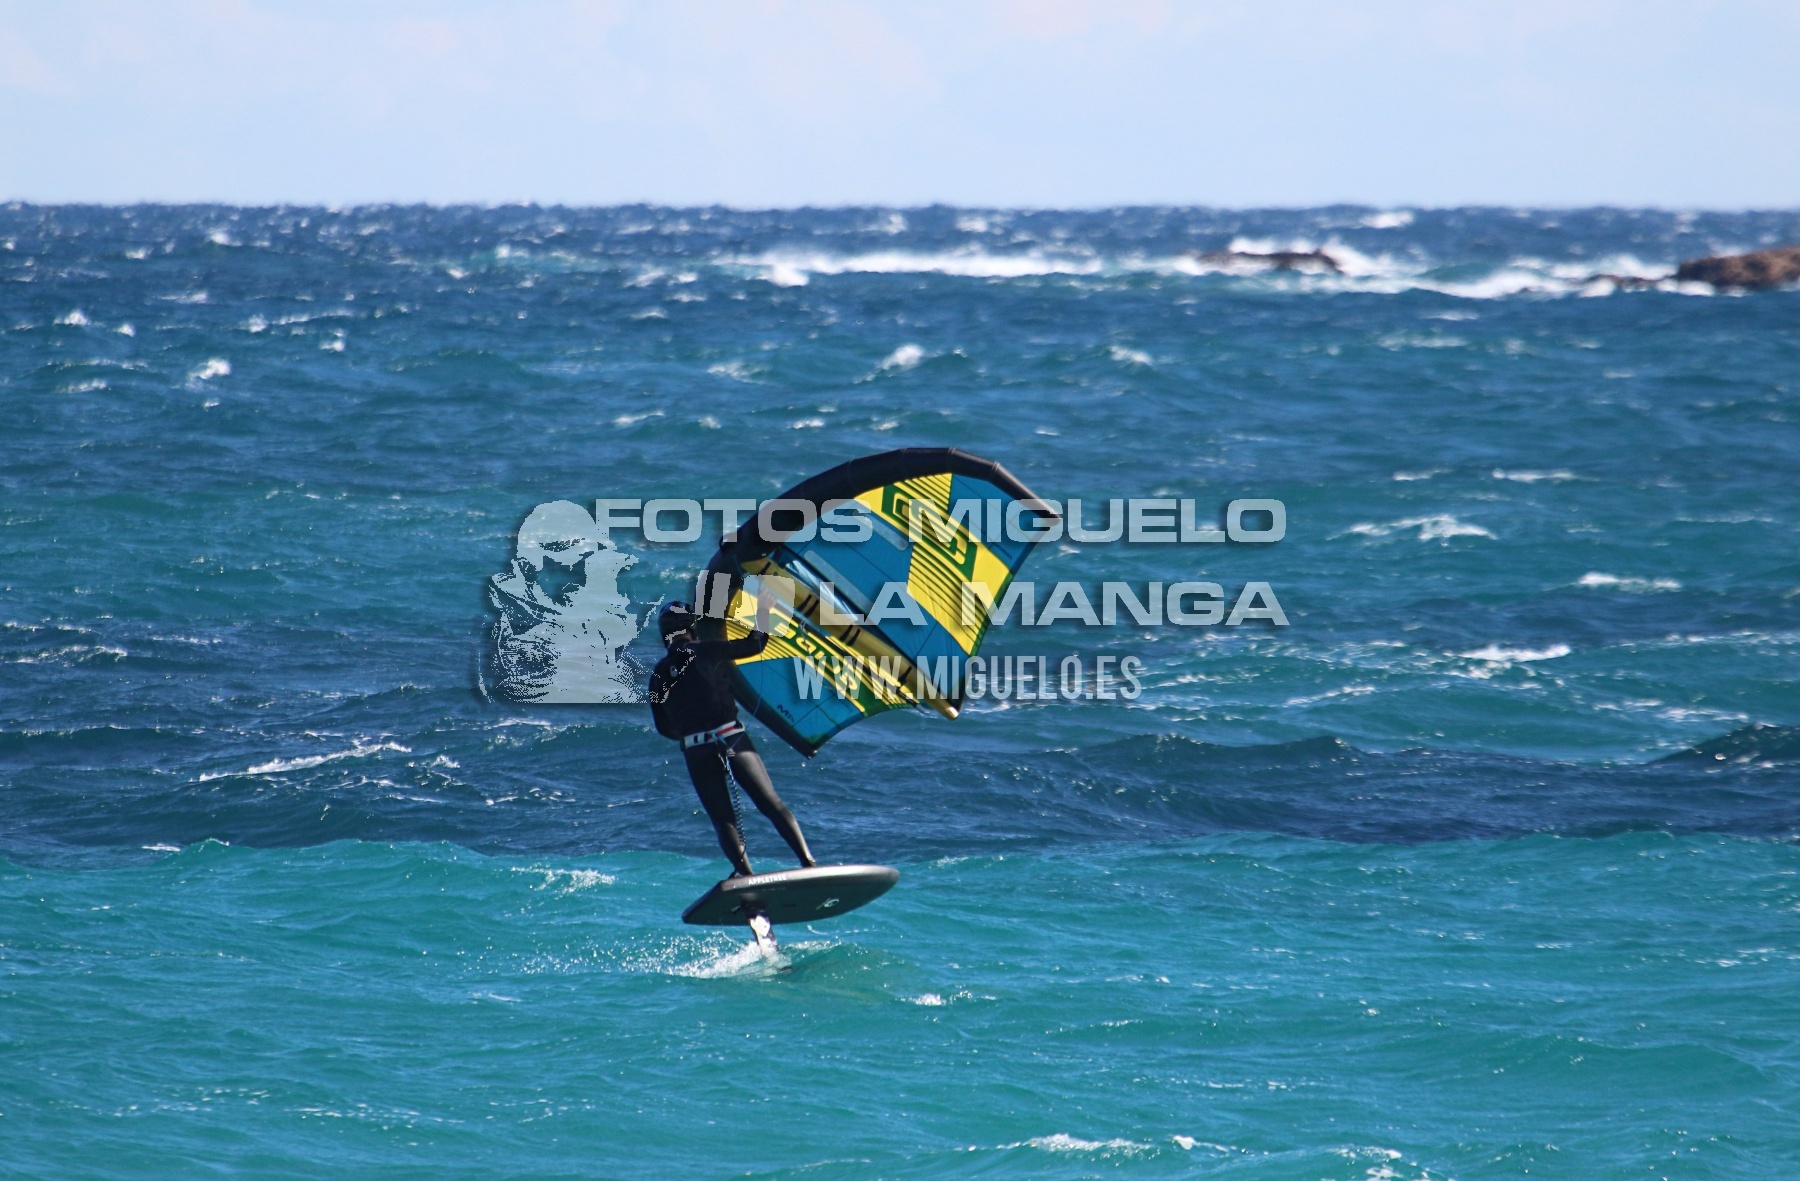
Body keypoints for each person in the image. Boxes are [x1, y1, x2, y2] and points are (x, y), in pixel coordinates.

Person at [648, 600, 816, 878]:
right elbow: (754, 645)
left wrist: (692, 729)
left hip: (696, 749)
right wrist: (764, 610)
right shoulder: (705, 649)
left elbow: (664, 727)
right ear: (691, 627)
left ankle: (746, 877)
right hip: (730, 737)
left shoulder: (658, 674)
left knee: (723, 820)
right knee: (771, 804)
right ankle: (808, 863)